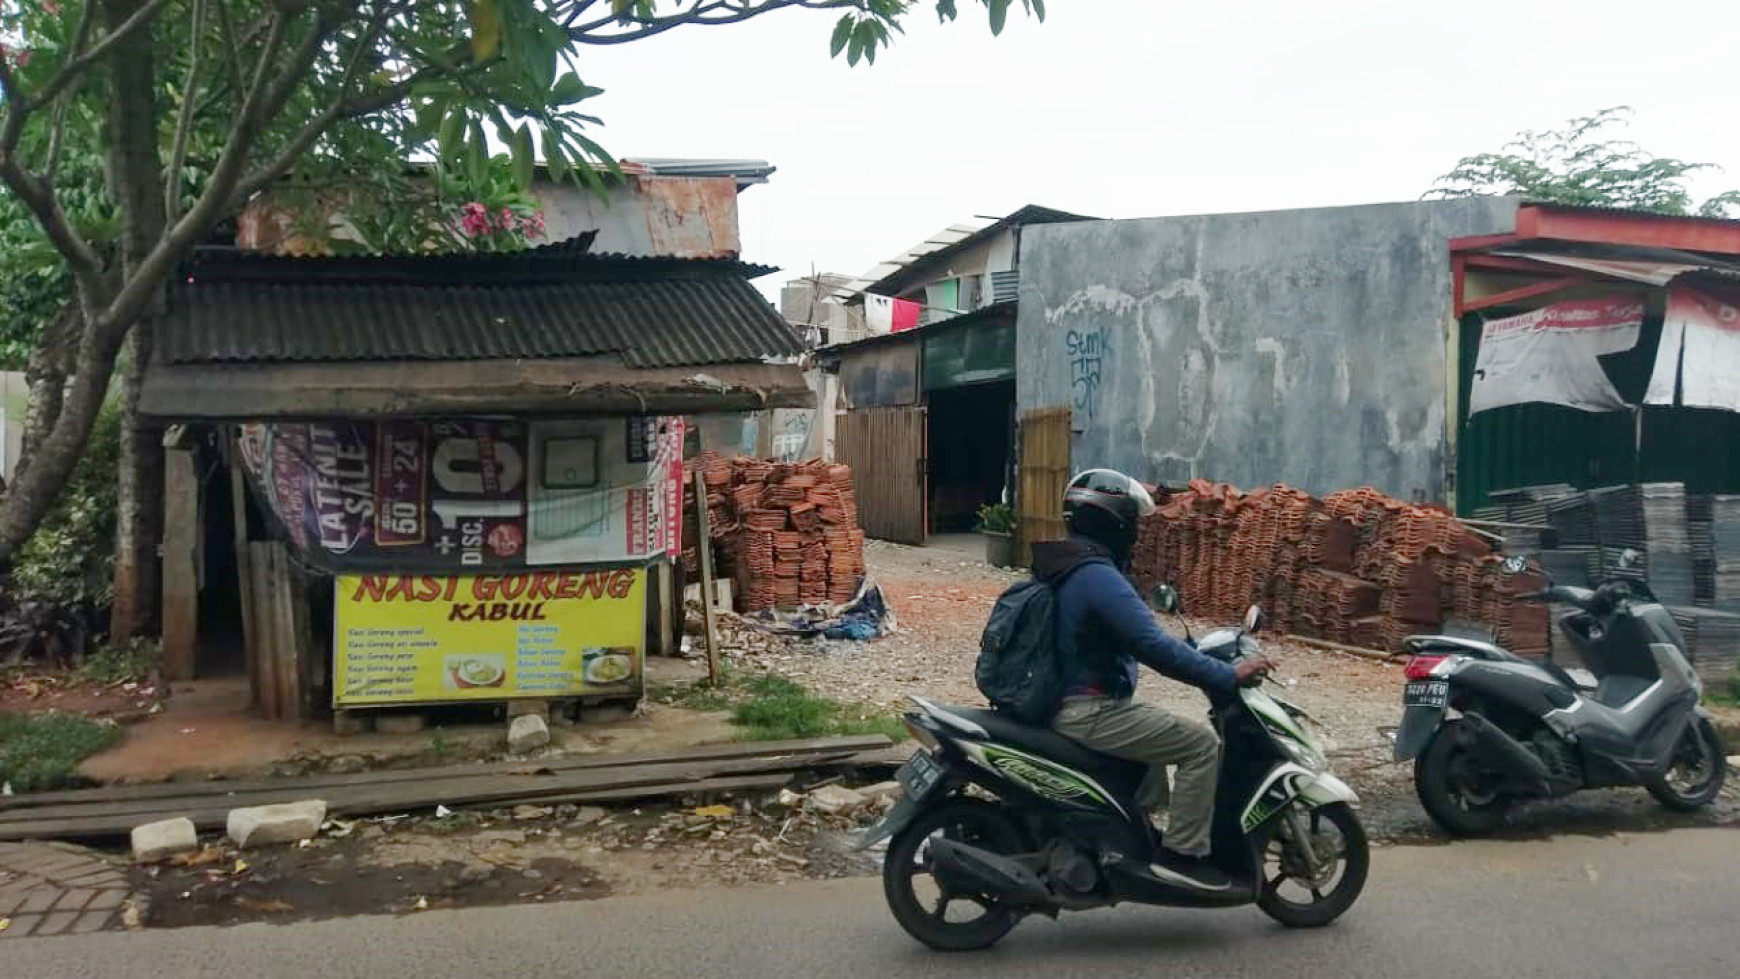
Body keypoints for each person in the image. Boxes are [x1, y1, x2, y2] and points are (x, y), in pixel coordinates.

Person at [1032, 469, 1274, 893]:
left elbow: (1147, 639)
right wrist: (1226, 674)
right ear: (1115, 521)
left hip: (1065, 701)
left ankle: (1127, 842)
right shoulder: (1097, 576)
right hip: (1090, 709)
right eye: (1134, 522)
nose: (1139, 533)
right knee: (1200, 745)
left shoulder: (1068, 564)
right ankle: (1181, 856)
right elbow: (1153, 646)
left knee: (1155, 739)